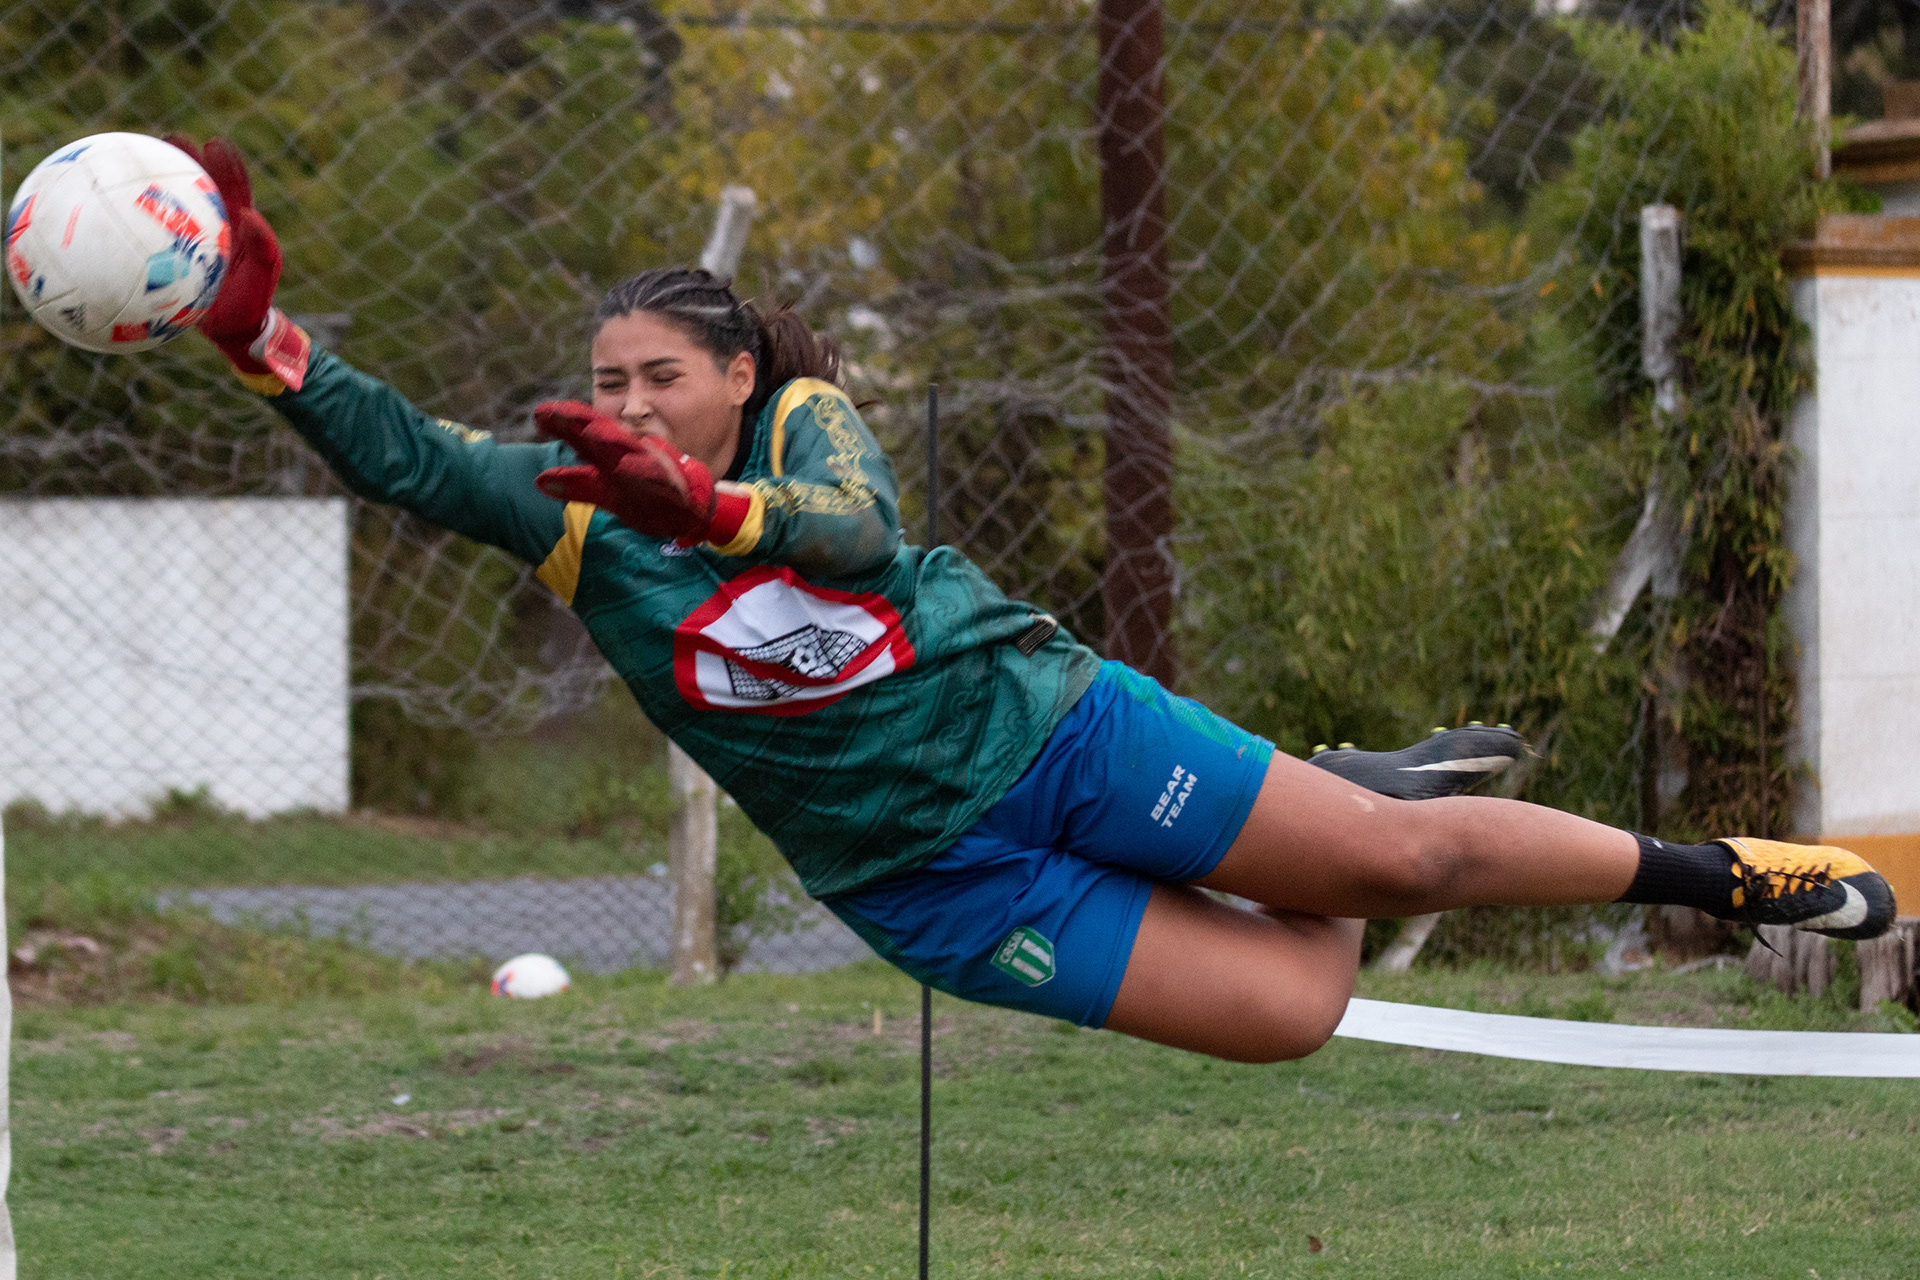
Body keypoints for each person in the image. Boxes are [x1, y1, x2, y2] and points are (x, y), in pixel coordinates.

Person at [173, 136, 1895, 1063]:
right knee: (1295, 1013)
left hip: (1050, 730)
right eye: (601, 383)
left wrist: (717, 501)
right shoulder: (576, 523)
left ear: (736, 371)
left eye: (656, 379)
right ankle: (1339, 785)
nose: (620, 409)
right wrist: (262, 342)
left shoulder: (797, 421)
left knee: (1408, 868)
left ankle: (1744, 879)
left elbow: (852, 531)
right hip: (923, 879)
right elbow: (403, 454)